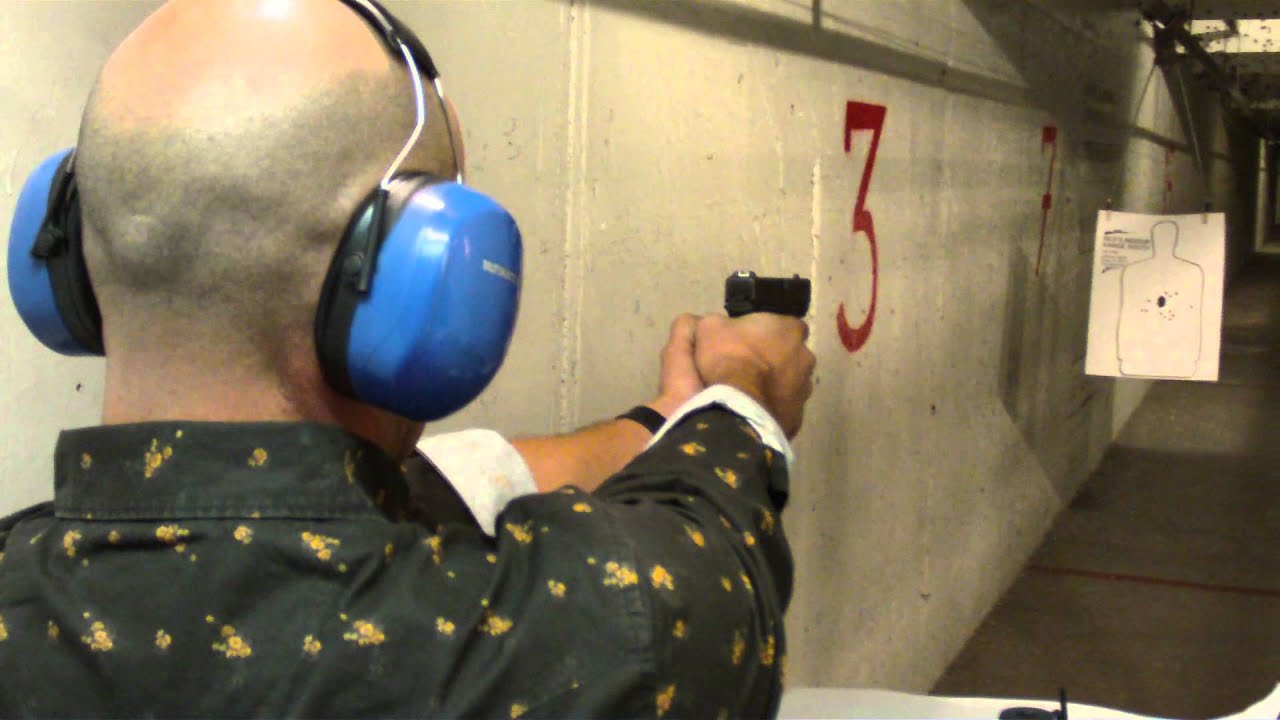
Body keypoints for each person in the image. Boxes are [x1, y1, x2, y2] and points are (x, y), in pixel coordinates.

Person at [0, 1, 816, 717]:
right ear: (411, 277)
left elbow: (378, 496)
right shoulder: (574, 649)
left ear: (66, 256)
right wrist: (745, 390)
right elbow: (706, 570)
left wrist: (662, 425)